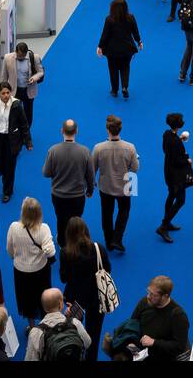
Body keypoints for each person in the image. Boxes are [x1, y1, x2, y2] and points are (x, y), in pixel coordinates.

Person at [59, 216, 111, 362]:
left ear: (68, 233)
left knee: (73, 329)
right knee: (93, 334)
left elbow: (64, 278)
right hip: (97, 298)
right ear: (86, 231)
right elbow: (107, 269)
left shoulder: (65, 252)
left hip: (75, 300)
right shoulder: (98, 247)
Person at [42, 119, 94, 244]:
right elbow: (90, 174)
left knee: (61, 218)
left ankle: (62, 242)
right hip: (78, 196)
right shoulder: (85, 151)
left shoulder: (53, 150)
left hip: (58, 196)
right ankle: (75, 241)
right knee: (76, 219)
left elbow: (46, 173)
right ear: (76, 131)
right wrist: (90, 190)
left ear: (62, 131)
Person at [6, 196, 55, 328]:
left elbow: (9, 249)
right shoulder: (43, 228)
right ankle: (45, 326)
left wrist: (16, 258)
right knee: (43, 299)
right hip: (40, 271)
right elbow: (51, 253)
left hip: (21, 271)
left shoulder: (13, 227)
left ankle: (32, 327)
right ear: (39, 213)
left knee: (26, 300)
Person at [92, 114, 138, 253]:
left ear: (108, 130)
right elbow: (135, 168)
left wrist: (91, 183)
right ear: (120, 129)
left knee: (107, 213)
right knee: (124, 211)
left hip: (105, 187)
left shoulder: (98, 148)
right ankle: (117, 238)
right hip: (125, 187)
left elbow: (92, 168)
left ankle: (109, 241)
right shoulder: (130, 147)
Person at [125, 275, 190, 362]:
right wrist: (133, 349)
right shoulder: (144, 302)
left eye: (153, 295)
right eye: (148, 292)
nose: (148, 296)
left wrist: (154, 342)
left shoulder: (178, 315)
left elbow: (179, 346)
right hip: (142, 354)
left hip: (164, 356)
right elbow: (131, 327)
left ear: (165, 296)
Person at [25, 287, 91, 361]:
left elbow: (30, 358)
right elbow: (87, 343)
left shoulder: (36, 332)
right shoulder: (75, 323)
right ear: (61, 304)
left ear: (44, 308)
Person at [96, 0, 142, 99]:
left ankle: (114, 90)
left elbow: (105, 35)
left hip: (112, 50)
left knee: (113, 69)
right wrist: (139, 41)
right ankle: (125, 87)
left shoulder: (109, 19)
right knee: (125, 67)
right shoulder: (131, 17)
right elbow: (135, 32)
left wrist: (100, 47)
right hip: (127, 49)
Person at [159, 113, 193, 242]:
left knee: (171, 195)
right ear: (179, 125)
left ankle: (167, 223)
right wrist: (187, 160)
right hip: (176, 175)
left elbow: (169, 150)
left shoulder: (167, 135)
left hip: (168, 172)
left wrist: (179, 139)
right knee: (180, 200)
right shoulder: (176, 142)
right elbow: (177, 160)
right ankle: (163, 226)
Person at [0, 41, 44, 126]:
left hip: (29, 90)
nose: (21, 57)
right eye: (19, 55)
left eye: (23, 56)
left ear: (27, 52)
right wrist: (3, 91)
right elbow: (4, 76)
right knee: (14, 113)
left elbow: (41, 72)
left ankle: (26, 133)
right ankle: (16, 132)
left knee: (28, 113)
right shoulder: (7, 58)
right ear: (15, 51)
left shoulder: (35, 57)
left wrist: (34, 78)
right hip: (14, 91)